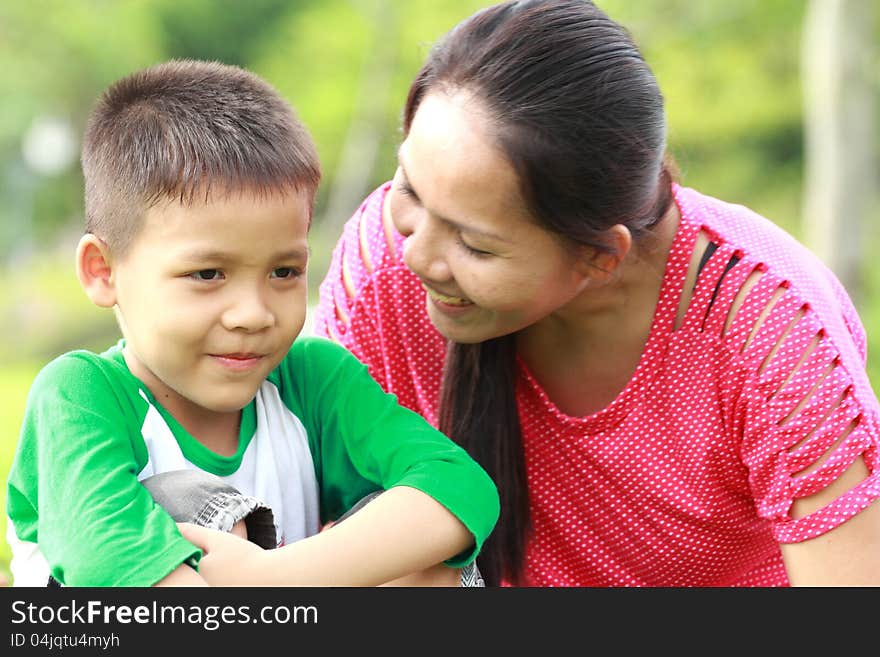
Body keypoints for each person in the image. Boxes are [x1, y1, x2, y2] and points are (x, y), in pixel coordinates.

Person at [314, 0, 880, 586]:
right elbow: (311, 519)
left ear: (600, 255)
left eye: (476, 246)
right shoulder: (381, 274)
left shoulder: (772, 335)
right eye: (409, 187)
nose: (418, 255)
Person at [5, 59, 499, 587]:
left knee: (433, 562)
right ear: (104, 272)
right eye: (208, 273)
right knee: (188, 508)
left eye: (284, 271)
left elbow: (459, 485)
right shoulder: (82, 395)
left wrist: (278, 576)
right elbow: (110, 564)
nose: (254, 314)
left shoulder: (310, 383)